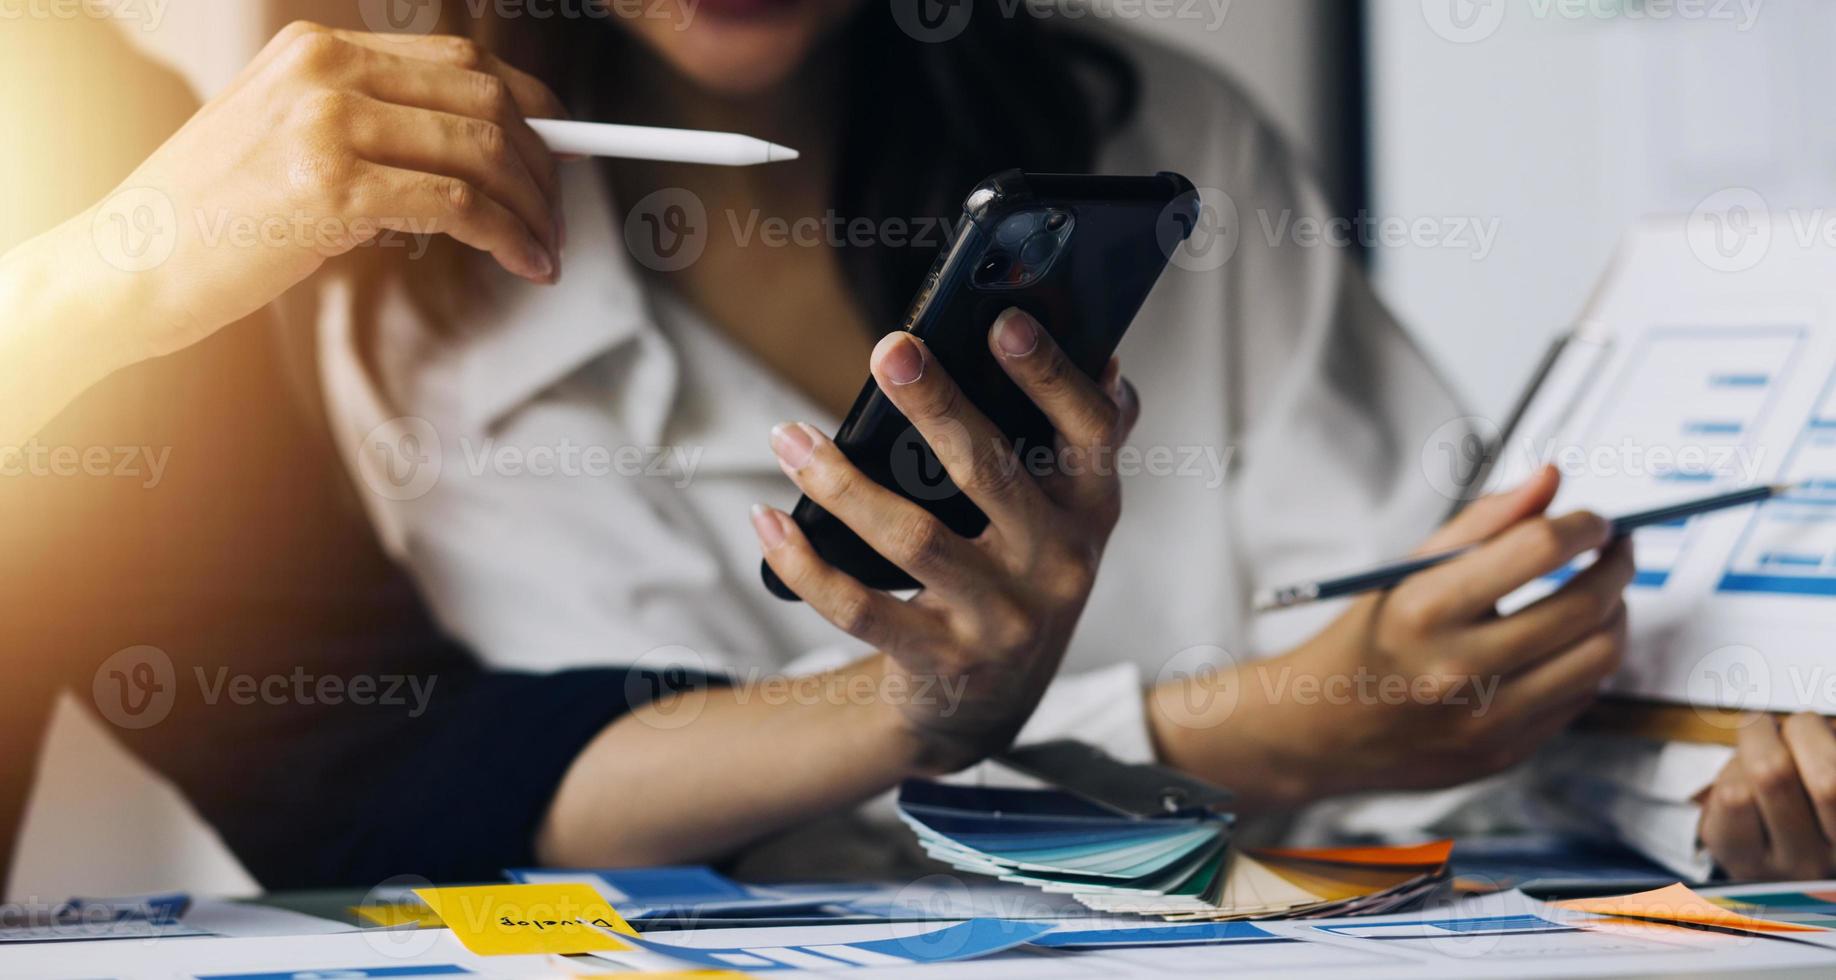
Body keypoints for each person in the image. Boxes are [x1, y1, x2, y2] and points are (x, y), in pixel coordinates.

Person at [6, 2, 1834, 885]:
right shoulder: (359, 273)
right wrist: (1234, 724)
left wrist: (1695, 775)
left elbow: (1472, 692)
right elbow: (530, 824)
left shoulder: (1152, 143)